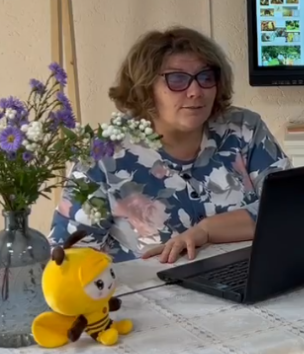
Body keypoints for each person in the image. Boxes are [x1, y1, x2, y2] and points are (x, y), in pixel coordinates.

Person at [49, 26, 291, 264]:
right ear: (146, 88)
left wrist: (206, 230)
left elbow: (289, 207)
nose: (196, 91)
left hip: (249, 272)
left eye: (206, 77)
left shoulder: (243, 128)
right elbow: (67, 254)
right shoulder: (104, 153)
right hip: (149, 285)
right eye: (177, 79)